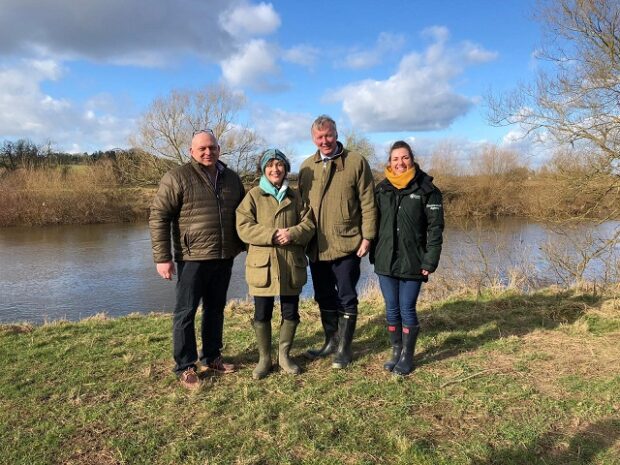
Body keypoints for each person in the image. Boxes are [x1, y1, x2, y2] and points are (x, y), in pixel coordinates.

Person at [149, 129, 245, 389]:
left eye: (212, 147)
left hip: (224, 255)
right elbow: (159, 217)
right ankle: (185, 365)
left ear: (219, 149)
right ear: (191, 151)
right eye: (202, 148)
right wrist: (163, 257)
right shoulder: (177, 177)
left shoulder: (232, 179)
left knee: (215, 310)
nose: (207, 152)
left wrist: (248, 244)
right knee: (186, 312)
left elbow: (245, 215)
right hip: (191, 258)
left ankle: (212, 356)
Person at [298, 115, 377, 369]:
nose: (325, 141)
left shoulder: (356, 161)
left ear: (336, 133)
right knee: (322, 296)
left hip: (347, 243)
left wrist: (368, 236)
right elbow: (302, 207)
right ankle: (330, 341)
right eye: (319, 137)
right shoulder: (306, 166)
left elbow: (368, 201)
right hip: (317, 247)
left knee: (346, 296)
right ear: (313, 139)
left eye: (329, 135)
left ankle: (344, 348)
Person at [236, 149, 315, 379]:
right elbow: (243, 226)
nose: (275, 169)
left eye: (279, 165)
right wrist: (271, 235)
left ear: (286, 169)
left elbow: (309, 224)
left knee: (291, 312)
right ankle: (264, 358)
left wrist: (292, 233)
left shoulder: (296, 196)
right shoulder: (253, 196)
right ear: (263, 169)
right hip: (263, 267)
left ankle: (284, 357)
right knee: (262, 313)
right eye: (270, 165)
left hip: (291, 264)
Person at [370, 140, 444, 376]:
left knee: (407, 309)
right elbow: (372, 224)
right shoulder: (381, 189)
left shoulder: (428, 190)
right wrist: (372, 252)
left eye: (404, 158)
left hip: (414, 261)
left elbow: (435, 230)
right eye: (395, 159)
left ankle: (408, 356)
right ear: (389, 162)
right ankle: (396, 350)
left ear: (412, 159)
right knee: (391, 309)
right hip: (386, 261)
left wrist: (429, 261)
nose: (400, 163)